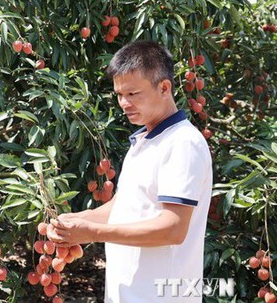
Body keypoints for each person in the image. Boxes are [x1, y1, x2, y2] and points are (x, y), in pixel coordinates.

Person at [48, 41, 212, 302]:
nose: (124, 103)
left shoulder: (182, 144)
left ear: (164, 88)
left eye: (133, 94)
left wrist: (92, 232)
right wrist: (78, 221)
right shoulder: (144, 141)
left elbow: (173, 229)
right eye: (119, 95)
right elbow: (124, 207)